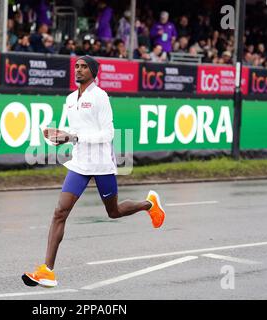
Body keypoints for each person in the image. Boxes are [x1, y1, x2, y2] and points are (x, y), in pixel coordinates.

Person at [21, 55, 166, 288]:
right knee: (60, 212)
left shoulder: (100, 97)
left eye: (84, 67)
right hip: (79, 164)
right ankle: (47, 271)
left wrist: (74, 136)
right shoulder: (69, 99)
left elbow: (108, 134)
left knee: (114, 212)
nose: (78, 70)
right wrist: (58, 137)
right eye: (76, 66)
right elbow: (70, 131)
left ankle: (149, 204)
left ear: (93, 72)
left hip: (101, 164)